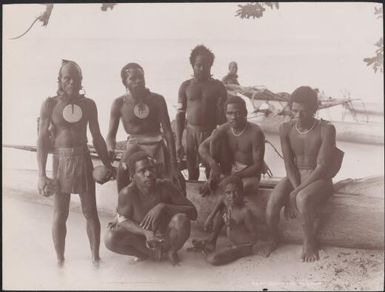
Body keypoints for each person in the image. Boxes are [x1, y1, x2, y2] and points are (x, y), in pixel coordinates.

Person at [37, 59, 114, 266]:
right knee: (60, 213)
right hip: (60, 161)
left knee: (90, 211)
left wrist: (107, 164)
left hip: (83, 159)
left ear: (81, 80)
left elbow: (96, 136)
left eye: (75, 78)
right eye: (66, 78)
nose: (71, 82)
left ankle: (95, 258)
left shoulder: (89, 105)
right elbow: (42, 140)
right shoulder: (50, 104)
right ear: (60, 81)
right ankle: (60, 260)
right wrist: (42, 174)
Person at [262, 86, 342, 262]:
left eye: (303, 112)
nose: (297, 116)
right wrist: (295, 188)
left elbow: (322, 166)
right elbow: (289, 163)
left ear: (314, 110)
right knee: (273, 202)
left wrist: (296, 192)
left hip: (319, 178)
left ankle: (309, 241)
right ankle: (273, 237)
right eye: (294, 110)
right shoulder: (285, 128)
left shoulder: (326, 129)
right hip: (295, 176)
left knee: (302, 199)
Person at [104, 151, 197, 265]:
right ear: (132, 176)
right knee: (110, 238)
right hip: (142, 240)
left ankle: (171, 251)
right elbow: (123, 220)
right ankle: (144, 254)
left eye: (151, 169)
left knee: (181, 219)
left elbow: (193, 213)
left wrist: (164, 207)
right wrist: (145, 233)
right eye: (142, 171)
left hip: (166, 238)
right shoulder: (127, 193)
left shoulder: (166, 186)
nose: (149, 174)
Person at [106, 63, 183, 194]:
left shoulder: (157, 100)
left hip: (158, 145)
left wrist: (174, 164)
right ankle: (122, 211)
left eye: (141, 77)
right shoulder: (119, 103)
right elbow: (111, 135)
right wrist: (110, 149)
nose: (138, 81)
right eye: (133, 78)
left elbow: (168, 133)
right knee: (121, 175)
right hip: (134, 146)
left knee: (174, 182)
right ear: (125, 82)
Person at [175, 45, 227, 181]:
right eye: (198, 65)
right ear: (192, 65)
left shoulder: (218, 86)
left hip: (211, 132)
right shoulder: (185, 86)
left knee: (212, 169)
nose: (202, 69)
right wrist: (178, 141)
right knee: (192, 171)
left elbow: (224, 120)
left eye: (206, 65)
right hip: (191, 133)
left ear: (211, 65)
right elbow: (180, 114)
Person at [198, 95, 265, 196]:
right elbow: (202, 147)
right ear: (225, 114)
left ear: (245, 113)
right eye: (230, 113)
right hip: (227, 171)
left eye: (237, 113)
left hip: (248, 174)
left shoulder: (255, 132)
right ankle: (214, 179)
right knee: (216, 135)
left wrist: (232, 177)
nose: (233, 117)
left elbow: (257, 166)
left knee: (241, 190)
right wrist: (213, 164)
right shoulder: (223, 129)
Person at [190, 176, 265, 265]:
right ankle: (211, 241)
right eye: (228, 193)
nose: (232, 196)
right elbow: (221, 200)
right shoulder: (227, 201)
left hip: (243, 246)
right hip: (232, 241)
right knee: (223, 211)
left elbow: (254, 237)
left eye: (235, 192)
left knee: (212, 259)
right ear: (225, 194)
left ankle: (209, 247)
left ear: (241, 192)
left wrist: (234, 227)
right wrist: (210, 217)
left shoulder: (245, 212)